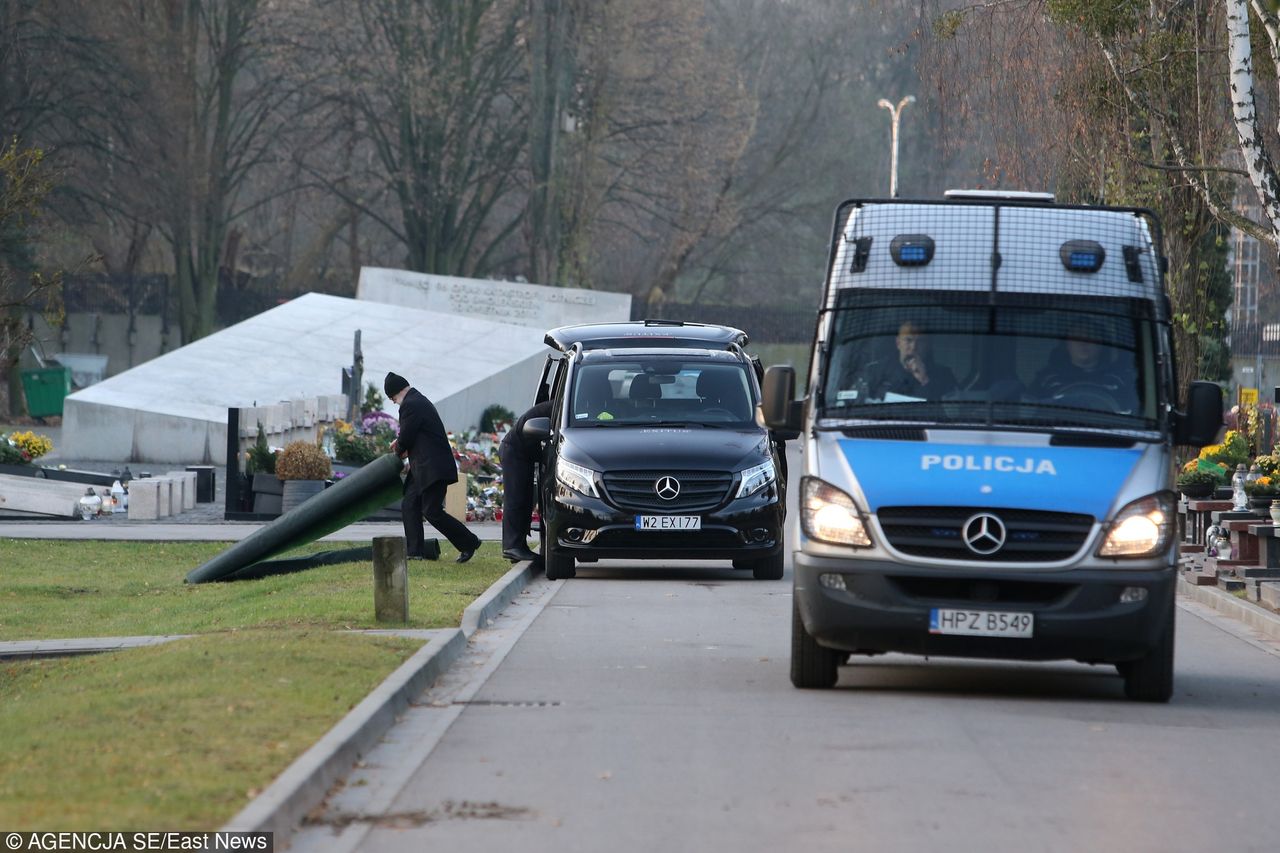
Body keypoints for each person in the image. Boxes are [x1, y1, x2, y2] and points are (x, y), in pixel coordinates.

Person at [385, 371, 481, 563]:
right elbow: (414, 434)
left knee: (432, 512)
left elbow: (407, 437)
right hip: (424, 467)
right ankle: (414, 552)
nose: (395, 403)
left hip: (432, 468)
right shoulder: (418, 400)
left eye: (393, 398)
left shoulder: (410, 405)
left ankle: (469, 542)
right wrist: (402, 445)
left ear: (397, 393)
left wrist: (397, 449)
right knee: (410, 504)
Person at [1034, 321, 1136, 411]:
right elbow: (1033, 411)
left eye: (1090, 337)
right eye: (1077, 337)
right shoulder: (1047, 380)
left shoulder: (1119, 380)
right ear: (1067, 345)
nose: (1083, 343)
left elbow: (1132, 413)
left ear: (1101, 344)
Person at [498, 399, 552, 563]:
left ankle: (519, 545)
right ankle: (512, 546)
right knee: (516, 499)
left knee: (525, 499)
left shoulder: (556, 405)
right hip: (514, 451)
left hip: (523, 454)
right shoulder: (559, 408)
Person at [864, 320, 957, 400]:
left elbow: (950, 412)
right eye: (908, 340)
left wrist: (924, 379)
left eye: (921, 341)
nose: (913, 347)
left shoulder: (944, 376)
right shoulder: (875, 371)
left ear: (928, 346)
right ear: (898, 343)